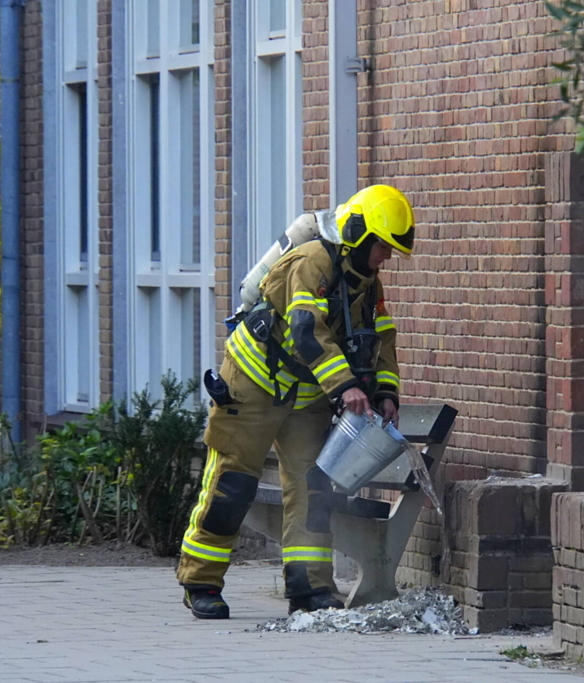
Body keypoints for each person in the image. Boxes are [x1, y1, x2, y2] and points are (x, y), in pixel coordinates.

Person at [177, 184, 416, 619]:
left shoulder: (367, 283)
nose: (387, 257)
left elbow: (382, 338)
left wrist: (385, 392)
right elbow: (307, 330)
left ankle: (310, 589)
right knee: (232, 483)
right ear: (359, 236)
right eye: (383, 246)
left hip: (306, 396)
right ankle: (201, 582)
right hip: (253, 385)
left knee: (313, 490)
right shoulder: (311, 262)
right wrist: (345, 386)